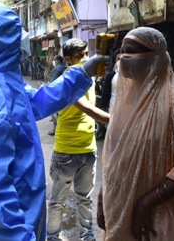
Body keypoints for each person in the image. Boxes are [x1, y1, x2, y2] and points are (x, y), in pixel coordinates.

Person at [0, 0, 107, 241]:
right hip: (1, 232)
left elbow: (38, 102)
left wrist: (81, 74)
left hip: (11, 221)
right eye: (13, 34)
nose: (19, 41)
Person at [97, 27, 174, 241]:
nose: (124, 57)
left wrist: (146, 203)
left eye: (133, 51)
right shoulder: (125, 99)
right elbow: (114, 155)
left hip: (157, 213)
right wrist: (103, 194)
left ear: (156, 57)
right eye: (123, 51)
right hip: (118, 203)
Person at [47, 38, 110, 241]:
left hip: (87, 148)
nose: (85, 58)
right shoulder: (68, 81)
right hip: (66, 150)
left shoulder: (86, 79)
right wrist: (117, 121)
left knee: (85, 198)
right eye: (79, 56)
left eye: (86, 54)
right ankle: (53, 237)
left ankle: (87, 236)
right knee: (58, 200)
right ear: (67, 59)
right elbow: (88, 109)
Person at [97, 49, 121, 140]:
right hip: (113, 108)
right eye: (118, 59)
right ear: (115, 60)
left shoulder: (134, 76)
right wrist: (103, 109)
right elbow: (106, 94)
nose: (120, 61)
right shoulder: (111, 75)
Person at [48, 55, 67, 136]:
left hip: (57, 92)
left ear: (57, 61)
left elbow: (54, 82)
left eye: (55, 60)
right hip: (65, 92)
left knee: (53, 111)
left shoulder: (57, 68)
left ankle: (56, 129)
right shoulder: (65, 67)